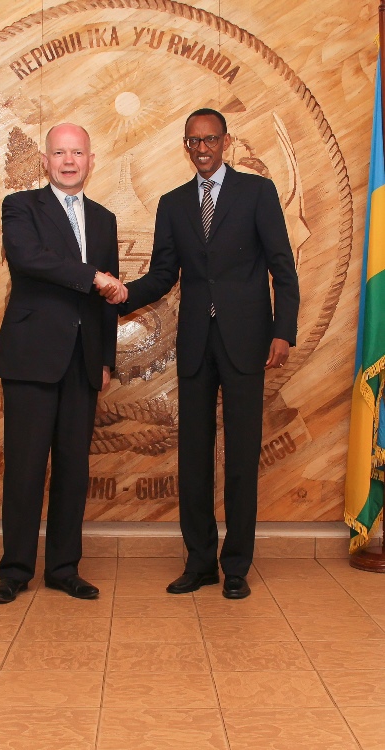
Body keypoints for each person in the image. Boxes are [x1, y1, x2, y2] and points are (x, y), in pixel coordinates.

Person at [118, 108, 299, 599]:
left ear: (226, 142)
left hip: (248, 342)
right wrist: (122, 295)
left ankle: (236, 565)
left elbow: (282, 267)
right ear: (186, 146)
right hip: (196, 343)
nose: (202, 148)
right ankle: (199, 563)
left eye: (211, 139)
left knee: (241, 457)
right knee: (194, 459)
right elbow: (163, 275)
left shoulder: (257, 193)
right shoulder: (173, 203)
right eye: (194, 141)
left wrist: (283, 331)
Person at [0, 123, 127, 604]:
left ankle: (64, 568)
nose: (69, 161)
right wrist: (95, 277)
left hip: (83, 361)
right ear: (45, 161)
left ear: (91, 160)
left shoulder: (105, 219)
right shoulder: (20, 206)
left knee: (73, 470)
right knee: (25, 468)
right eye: (60, 153)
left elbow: (106, 303)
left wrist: (105, 359)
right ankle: (14, 570)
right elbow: (29, 259)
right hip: (31, 357)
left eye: (78, 152)